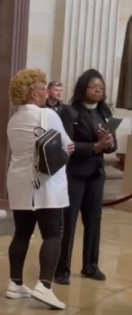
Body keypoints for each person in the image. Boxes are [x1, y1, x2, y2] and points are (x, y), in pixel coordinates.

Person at [5, 69, 72, 310]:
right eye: (44, 89)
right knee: (53, 233)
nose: (47, 93)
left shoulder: (14, 120)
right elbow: (67, 144)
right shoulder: (47, 115)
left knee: (22, 232)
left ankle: (15, 283)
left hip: (19, 180)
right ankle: (45, 286)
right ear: (34, 93)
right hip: (45, 181)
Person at [56, 69, 118, 284]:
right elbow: (67, 144)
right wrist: (95, 145)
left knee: (94, 221)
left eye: (101, 88)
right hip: (74, 173)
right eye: (94, 87)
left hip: (96, 174)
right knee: (69, 221)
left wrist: (109, 144)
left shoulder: (105, 113)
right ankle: (61, 269)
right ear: (83, 88)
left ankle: (90, 266)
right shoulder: (70, 112)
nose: (98, 90)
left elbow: (112, 146)